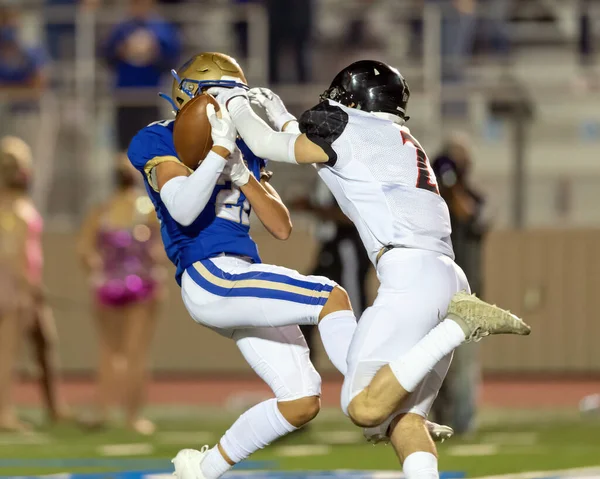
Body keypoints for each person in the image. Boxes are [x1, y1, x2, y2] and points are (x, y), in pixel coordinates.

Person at [128, 52, 454, 479]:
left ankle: (200, 470)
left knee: (301, 401)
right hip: (210, 273)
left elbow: (281, 226)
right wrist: (219, 151)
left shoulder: (244, 147)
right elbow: (184, 209)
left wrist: (242, 173)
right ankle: (380, 397)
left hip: (240, 273)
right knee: (330, 296)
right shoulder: (159, 138)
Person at [208, 60, 531, 478]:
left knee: (361, 404)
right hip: (446, 275)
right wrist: (282, 116)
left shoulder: (349, 126)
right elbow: (310, 145)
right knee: (402, 419)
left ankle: (459, 326)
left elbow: (272, 146)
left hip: (411, 275)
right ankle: (458, 324)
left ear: (353, 101)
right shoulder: (393, 137)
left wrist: (234, 103)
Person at [78, 154, 165, 435]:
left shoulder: (102, 210)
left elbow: (84, 251)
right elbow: (162, 250)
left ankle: (102, 409)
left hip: (108, 287)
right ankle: (133, 416)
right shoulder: (148, 209)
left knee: (109, 351)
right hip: (142, 286)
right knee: (136, 353)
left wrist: (98, 267)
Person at [0, 136, 69, 431]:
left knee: (41, 344)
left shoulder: (15, 203)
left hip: (19, 285)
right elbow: (13, 252)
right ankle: (4, 413)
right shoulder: (13, 209)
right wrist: (30, 286)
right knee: (7, 352)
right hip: (15, 288)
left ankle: (54, 407)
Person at [430, 133, 489, 435]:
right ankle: (438, 418)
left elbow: (470, 214)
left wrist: (452, 185)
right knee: (434, 359)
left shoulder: (476, 199)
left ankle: (463, 422)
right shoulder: (432, 202)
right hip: (434, 289)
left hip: (467, 292)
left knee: (463, 362)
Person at [292, 181, 371, 366]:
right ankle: (305, 378)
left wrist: (313, 208)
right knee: (304, 308)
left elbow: (354, 216)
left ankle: (364, 368)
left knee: (354, 310)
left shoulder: (346, 173)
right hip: (330, 248)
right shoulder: (323, 174)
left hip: (348, 246)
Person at [104, 0, 181, 152]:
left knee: (151, 146)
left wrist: (154, 51)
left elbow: (172, 58)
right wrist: (122, 49)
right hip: (125, 96)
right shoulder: (121, 29)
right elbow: (107, 55)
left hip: (150, 96)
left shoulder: (162, 29)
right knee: (124, 147)